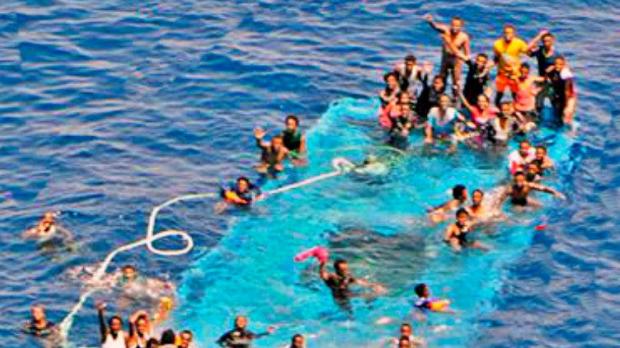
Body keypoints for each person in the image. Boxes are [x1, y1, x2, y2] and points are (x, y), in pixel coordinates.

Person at [424, 14, 471, 91]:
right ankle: (440, 97)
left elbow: (467, 53)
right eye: (453, 25)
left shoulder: (464, 37)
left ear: (461, 26)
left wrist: (467, 60)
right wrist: (430, 21)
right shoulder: (446, 30)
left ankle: (455, 98)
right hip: (445, 59)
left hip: (456, 61)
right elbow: (435, 26)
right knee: (441, 80)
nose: (454, 27)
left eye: (457, 25)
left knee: (456, 83)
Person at [319, 258, 385, 305]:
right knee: (349, 314)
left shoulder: (347, 277)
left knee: (371, 296)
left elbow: (360, 282)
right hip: (340, 299)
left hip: (349, 295)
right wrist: (322, 264)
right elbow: (322, 274)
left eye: (346, 269)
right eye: (343, 270)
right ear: (337, 270)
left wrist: (374, 285)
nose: (346, 271)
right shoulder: (332, 278)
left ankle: (368, 304)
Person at [492, 24, 530, 107]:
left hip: (515, 74)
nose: (507, 35)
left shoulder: (519, 43)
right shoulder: (497, 44)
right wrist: (489, 66)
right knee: (499, 94)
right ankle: (498, 110)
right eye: (505, 33)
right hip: (502, 73)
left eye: (510, 33)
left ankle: (517, 111)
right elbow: (496, 58)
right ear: (503, 33)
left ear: (514, 34)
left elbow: (528, 52)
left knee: (515, 95)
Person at [527, 30, 562, 113]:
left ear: (553, 41)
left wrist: (553, 67)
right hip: (541, 81)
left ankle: (559, 117)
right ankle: (538, 118)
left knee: (555, 103)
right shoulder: (540, 50)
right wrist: (539, 36)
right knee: (538, 103)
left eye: (548, 41)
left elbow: (563, 67)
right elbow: (527, 49)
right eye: (544, 41)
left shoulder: (556, 55)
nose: (546, 43)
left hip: (552, 83)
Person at [498, 171, 565, 208]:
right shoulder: (510, 189)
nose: (520, 182)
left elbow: (543, 188)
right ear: (515, 181)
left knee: (541, 206)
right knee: (519, 211)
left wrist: (555, 192)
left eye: (521, 180)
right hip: (515, 202)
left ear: (524, 179)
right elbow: (501, 199)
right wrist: (497, 209)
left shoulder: (529, 185)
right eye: (517, 180)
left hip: (525, 200)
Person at [546, 56, 577, 126]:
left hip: (569, 97)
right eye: (556, 64)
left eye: (560, 64)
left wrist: (566, 105)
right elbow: (550, 80)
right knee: (557, 112)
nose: (557, 66)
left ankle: (571, 129)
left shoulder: (566, 75)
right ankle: (558, 121)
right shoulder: (554, 71)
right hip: (559, 94)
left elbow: (567, 91)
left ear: (564, 65)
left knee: (567, 114)